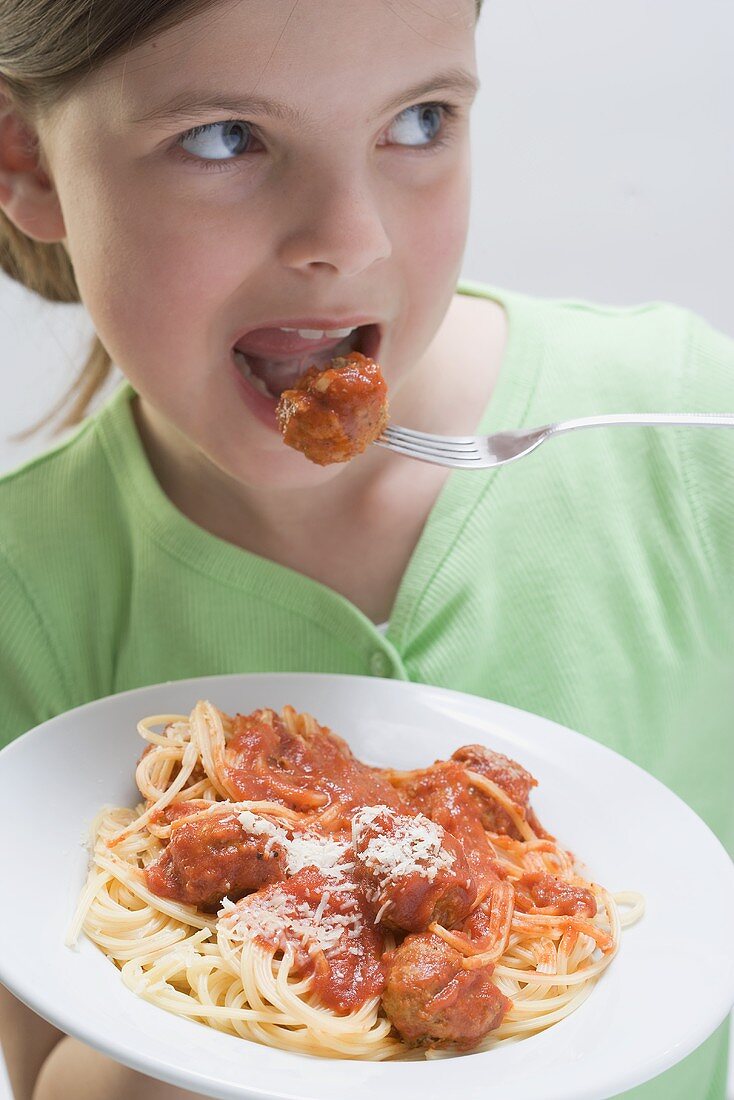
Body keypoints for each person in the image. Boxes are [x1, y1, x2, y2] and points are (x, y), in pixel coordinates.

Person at [0, 0, 731, 1097]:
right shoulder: (26, 578)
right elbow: (50, 1069)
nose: (349, 236)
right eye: (222, 137)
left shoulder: (679, 429)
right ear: (29, 162)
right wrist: (256, 1017)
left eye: (420, 119)